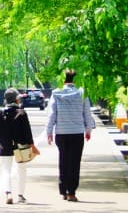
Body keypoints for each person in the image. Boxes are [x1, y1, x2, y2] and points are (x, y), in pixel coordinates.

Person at [46, 69, 95, 202]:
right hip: (77, 133)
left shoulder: (56, 94)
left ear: (64, 80)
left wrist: (49, 132)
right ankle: (72, 192)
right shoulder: (82, 93)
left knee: (63, 161)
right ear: (75, 80)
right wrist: (88, 130)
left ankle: (63, 191)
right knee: (74, 162)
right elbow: (87, 113)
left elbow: (52, 115)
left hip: (61, 133)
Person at [0, 88, 40, 205]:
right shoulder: (21, 112)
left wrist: (0, 146)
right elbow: (27, 131)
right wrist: (32, 146)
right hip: (21, 146)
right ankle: (20, 196)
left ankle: (8, 193)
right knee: (22, 169)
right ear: (16, 98)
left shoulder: (0, 113)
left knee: (6, 170)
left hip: (5, 145)